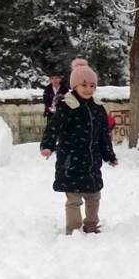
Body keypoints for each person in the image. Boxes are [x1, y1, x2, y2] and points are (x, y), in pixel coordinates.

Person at [40, 58, 118, 234]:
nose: (88, 89)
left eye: (92, 86)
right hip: (71, 161)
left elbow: (103, 136)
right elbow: (54, 128)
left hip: (91, 162)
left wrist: (109, 156)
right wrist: (48, 146)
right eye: (84, 85)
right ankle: (73, 229)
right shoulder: (67, 106)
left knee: (94, 196)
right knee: (73, 199)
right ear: (74, 86)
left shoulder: (98, 108)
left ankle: (91, 224)